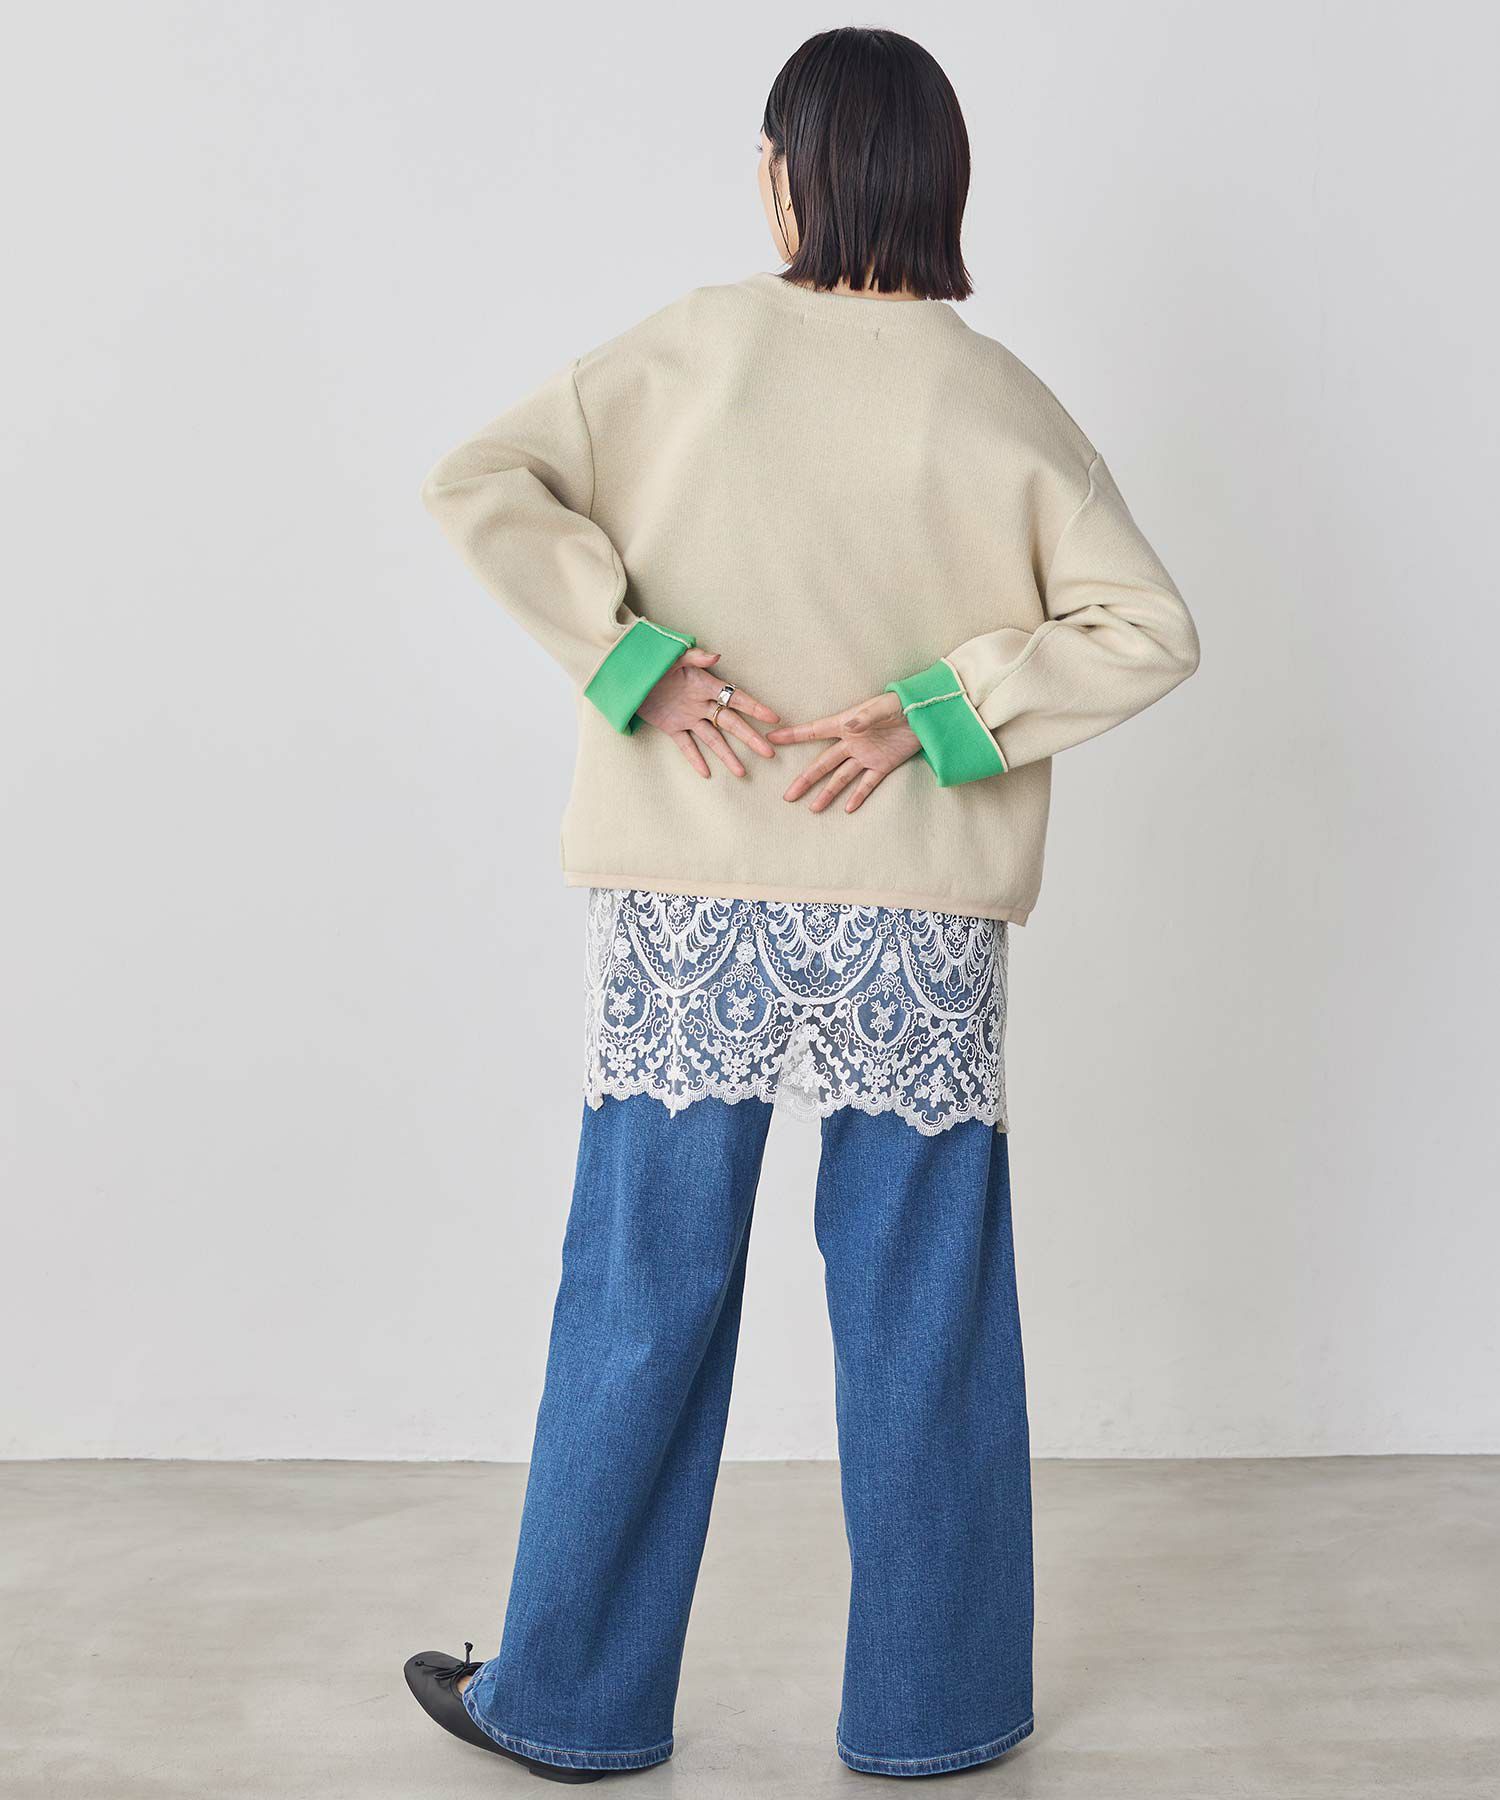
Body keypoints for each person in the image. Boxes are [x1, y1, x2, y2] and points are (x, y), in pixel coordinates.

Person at [403, 24, 1199, 1784]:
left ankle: (571, 1702)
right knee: (926, 1311)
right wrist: (946, 711)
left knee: (643, 1288)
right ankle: (935, 1712)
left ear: (787, 176)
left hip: (692, 899)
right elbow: (1150, 629)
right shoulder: (997, 399)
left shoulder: (688, 352)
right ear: (940, 179)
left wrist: (633, 661)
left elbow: (478, 481)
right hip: (915, 911)